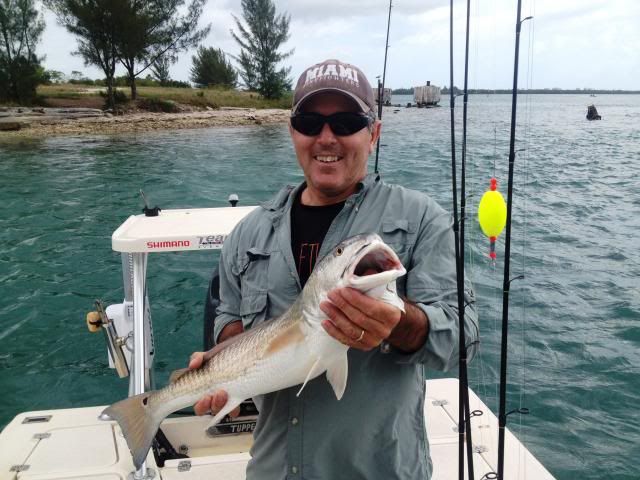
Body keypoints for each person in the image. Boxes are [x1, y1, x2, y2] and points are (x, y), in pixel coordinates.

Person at [189, 58, 479, 479]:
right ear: (293, 132)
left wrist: (399, 324)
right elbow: (229, 321)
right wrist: (226, 367)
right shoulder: (247, 234)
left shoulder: (422, 220)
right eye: (310, 121)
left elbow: (463, 339)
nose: (327, 137)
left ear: (374, 133)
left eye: (346, 122)